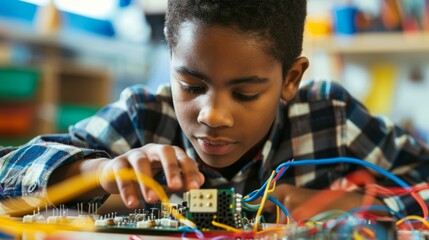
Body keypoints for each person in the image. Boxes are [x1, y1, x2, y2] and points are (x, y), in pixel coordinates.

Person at [1, 0, 428, 221]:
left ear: (290, 79)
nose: (212, 115)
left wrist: (326, 204)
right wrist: (100, 174)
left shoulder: (329, 117)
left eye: (244, 94)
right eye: (191, 86)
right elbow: (8, 174)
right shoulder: (143, 115)